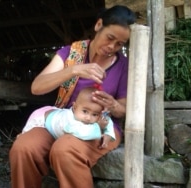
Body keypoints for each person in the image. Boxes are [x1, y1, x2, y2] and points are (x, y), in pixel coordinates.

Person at [9, 4, 136, 188]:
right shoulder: (70, 53)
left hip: (100, 126)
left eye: (119, 44)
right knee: (24, 148)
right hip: (64, 120)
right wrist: (74, 70)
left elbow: (123, 110)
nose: (111, 47)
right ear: (98, 25)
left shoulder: (123, 65)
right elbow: (37, 87)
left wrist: (114, 105)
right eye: (110, 38)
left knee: (65, 149)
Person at [22, 86, 115, 142]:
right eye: (85, 111)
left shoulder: (91, 117)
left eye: (94, 114)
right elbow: (83, 133)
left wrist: (108, 133)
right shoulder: (69, 122)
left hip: (57, 114)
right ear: (74, 107)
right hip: (42, 118)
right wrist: (99, 126)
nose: (88, 118)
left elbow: (106, 119)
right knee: (25, 135)